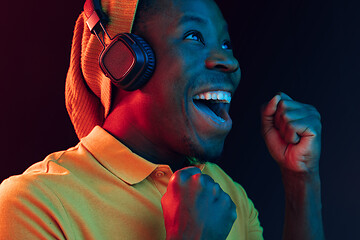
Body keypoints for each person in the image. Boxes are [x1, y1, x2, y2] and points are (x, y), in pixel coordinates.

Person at [0, 0, 325, 239]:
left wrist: (301, 181)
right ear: (125, 60)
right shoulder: (33, 204)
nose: (228, 60)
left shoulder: (226, 193)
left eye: (226, 44)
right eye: (194, 37)